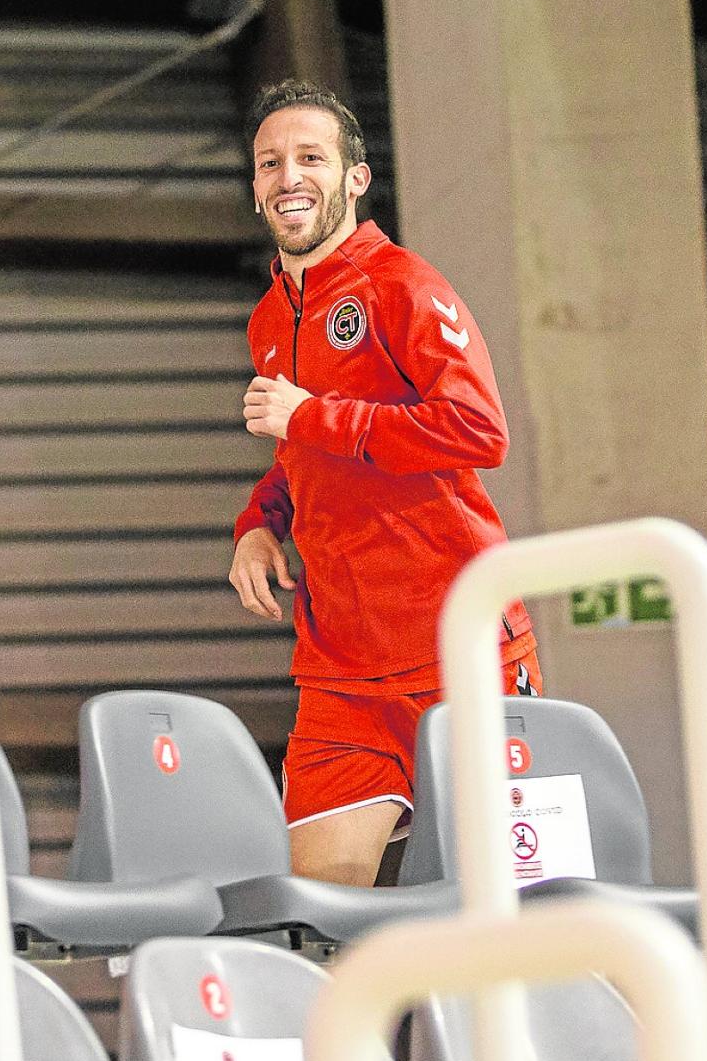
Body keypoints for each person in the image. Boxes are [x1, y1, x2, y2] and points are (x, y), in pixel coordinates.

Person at [229, 79, 541, 888]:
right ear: (255, 186)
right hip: (342, 676)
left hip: (459, 647)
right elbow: (300, 455)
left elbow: (478, 430)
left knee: (511, 915)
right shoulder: (269, 318)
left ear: (356, 178)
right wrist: (259, 524)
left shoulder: (403, 284)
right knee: (319, 923)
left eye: (311, 157)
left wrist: (316, 416)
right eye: (270, 163)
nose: (288, 177)